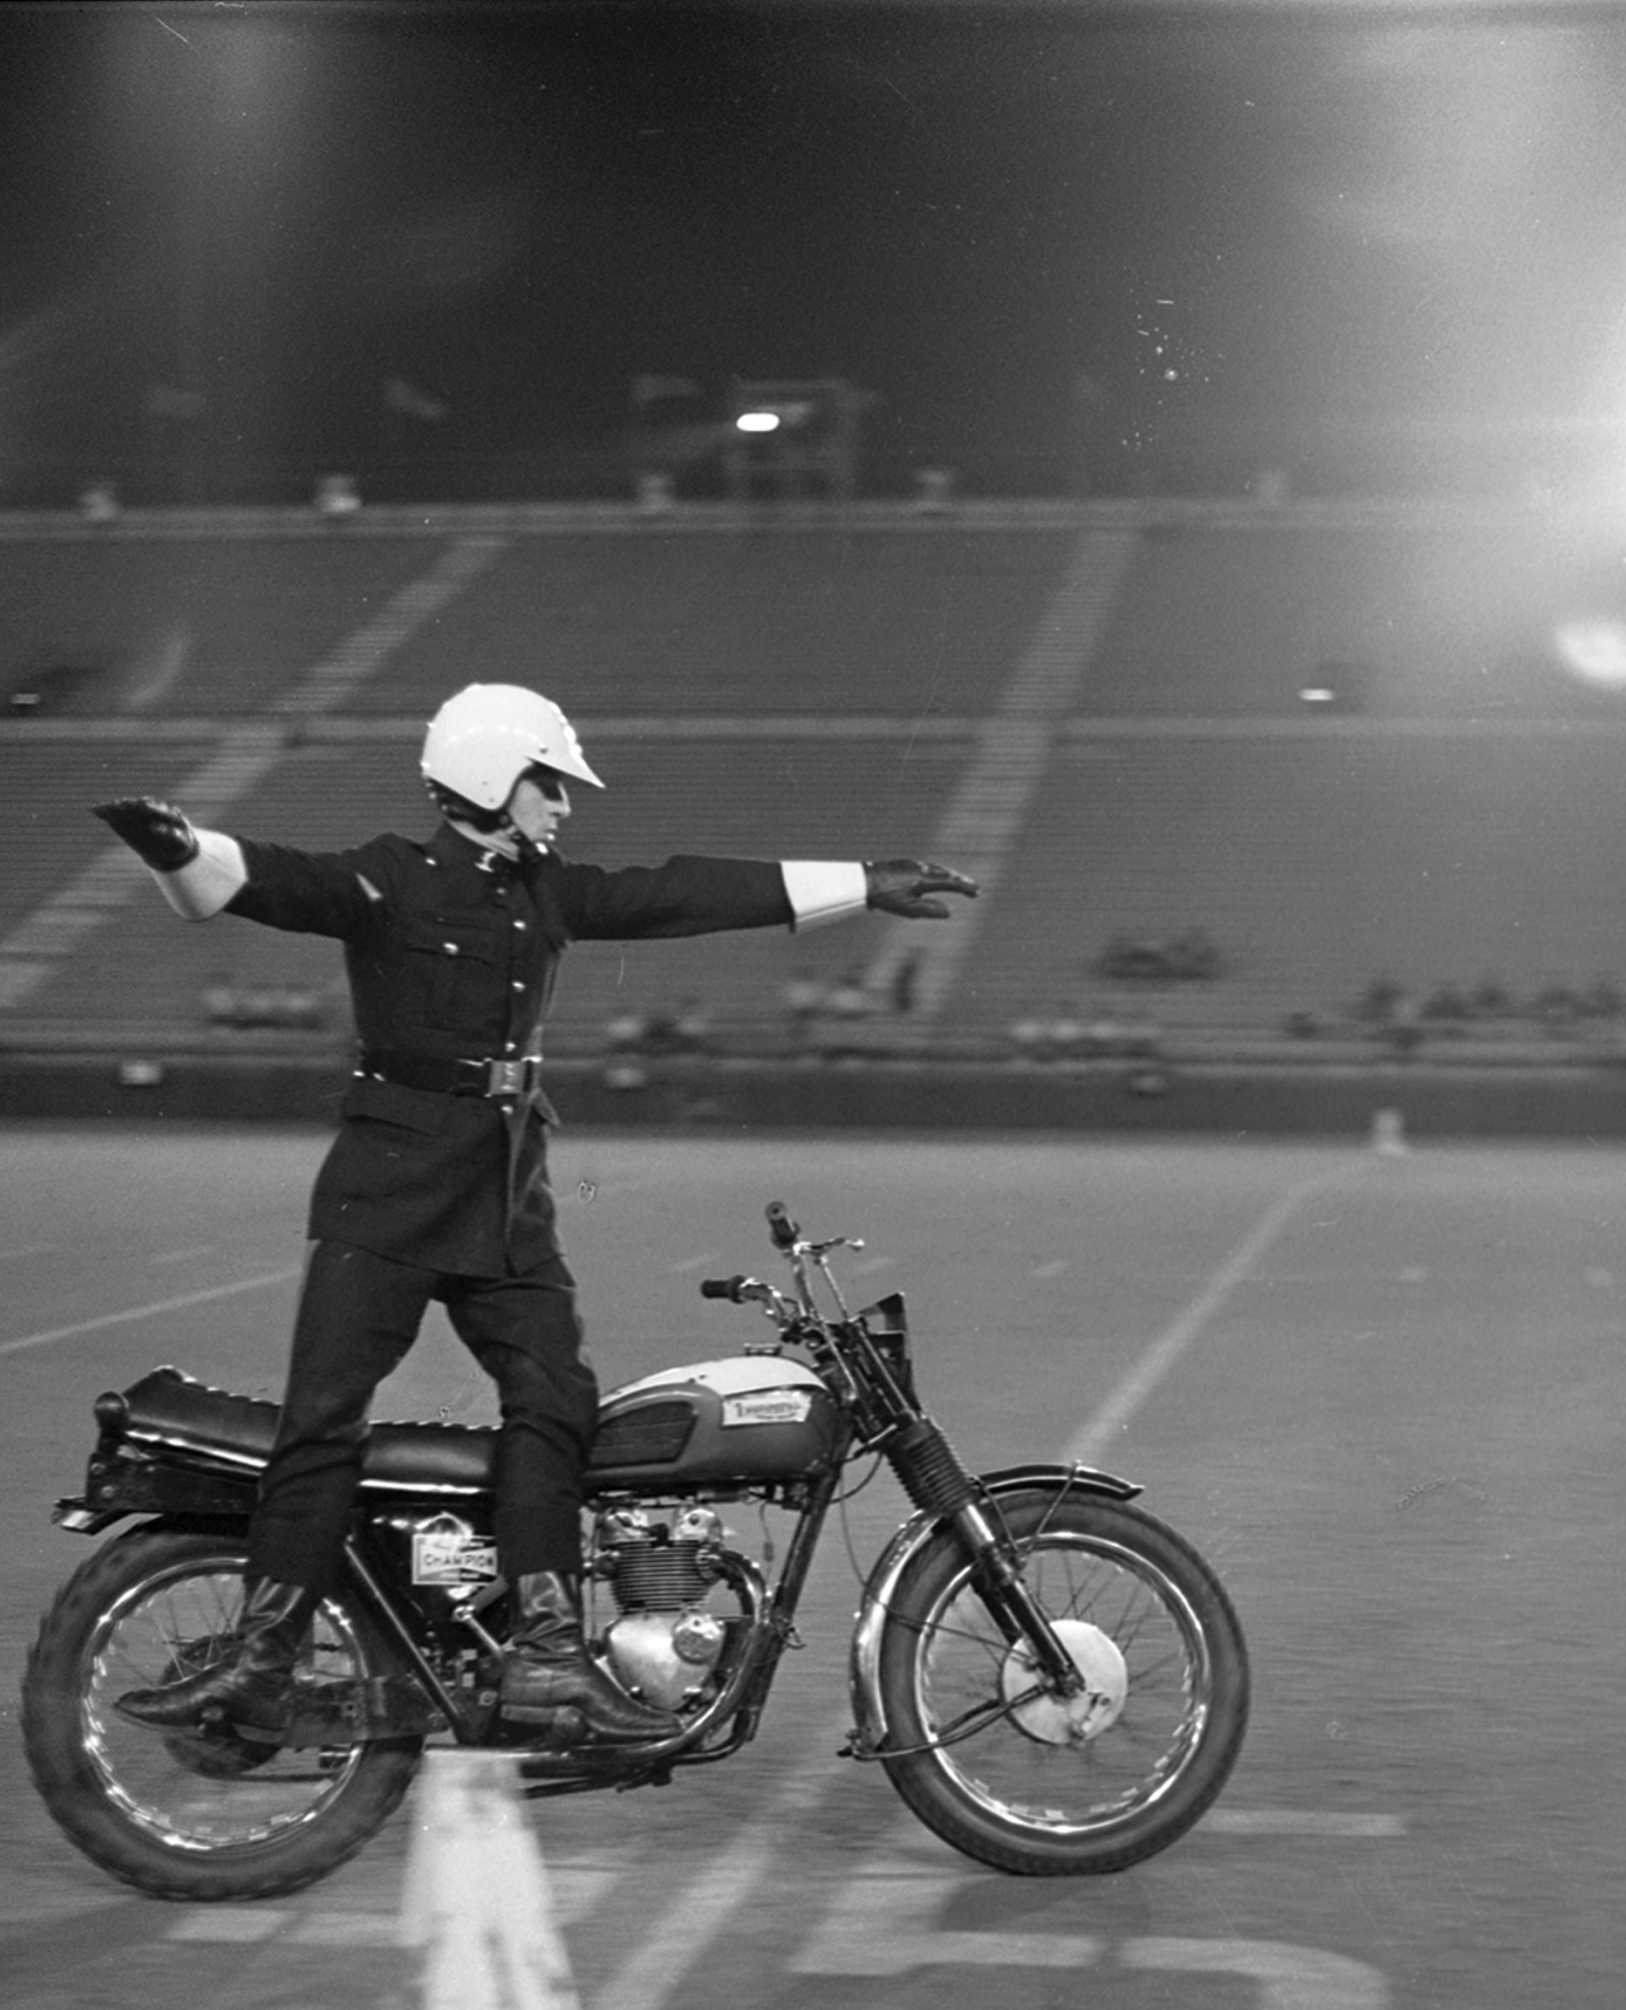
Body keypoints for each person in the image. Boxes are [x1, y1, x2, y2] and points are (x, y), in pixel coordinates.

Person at [90, 681, 975, 1746]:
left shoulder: (542, 893)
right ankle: (262, 1658)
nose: (562, 805)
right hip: (388, 1189)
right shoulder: (391, 877)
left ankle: (550, 1660)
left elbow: (681, 893)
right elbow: (267, 882)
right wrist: (176, 848)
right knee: (322, 1421)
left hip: (502, 1196)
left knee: (555, 1403)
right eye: (547, 782)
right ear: (487, 776)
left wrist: (862, 884)